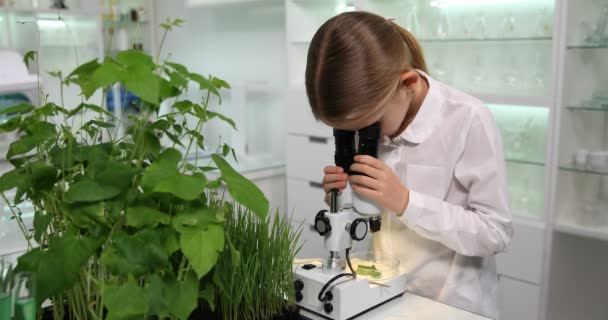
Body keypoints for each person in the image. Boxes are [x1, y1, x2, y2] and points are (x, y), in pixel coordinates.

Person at [306, 11, 513, 319]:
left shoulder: (468, 119)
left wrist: (405, 201)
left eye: (372, 124)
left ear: (408, 83)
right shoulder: (376, 112)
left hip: (450, 305)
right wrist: (344, 195)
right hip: (384, 295)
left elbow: (494, 233)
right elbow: (374, 216)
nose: (365, 135)